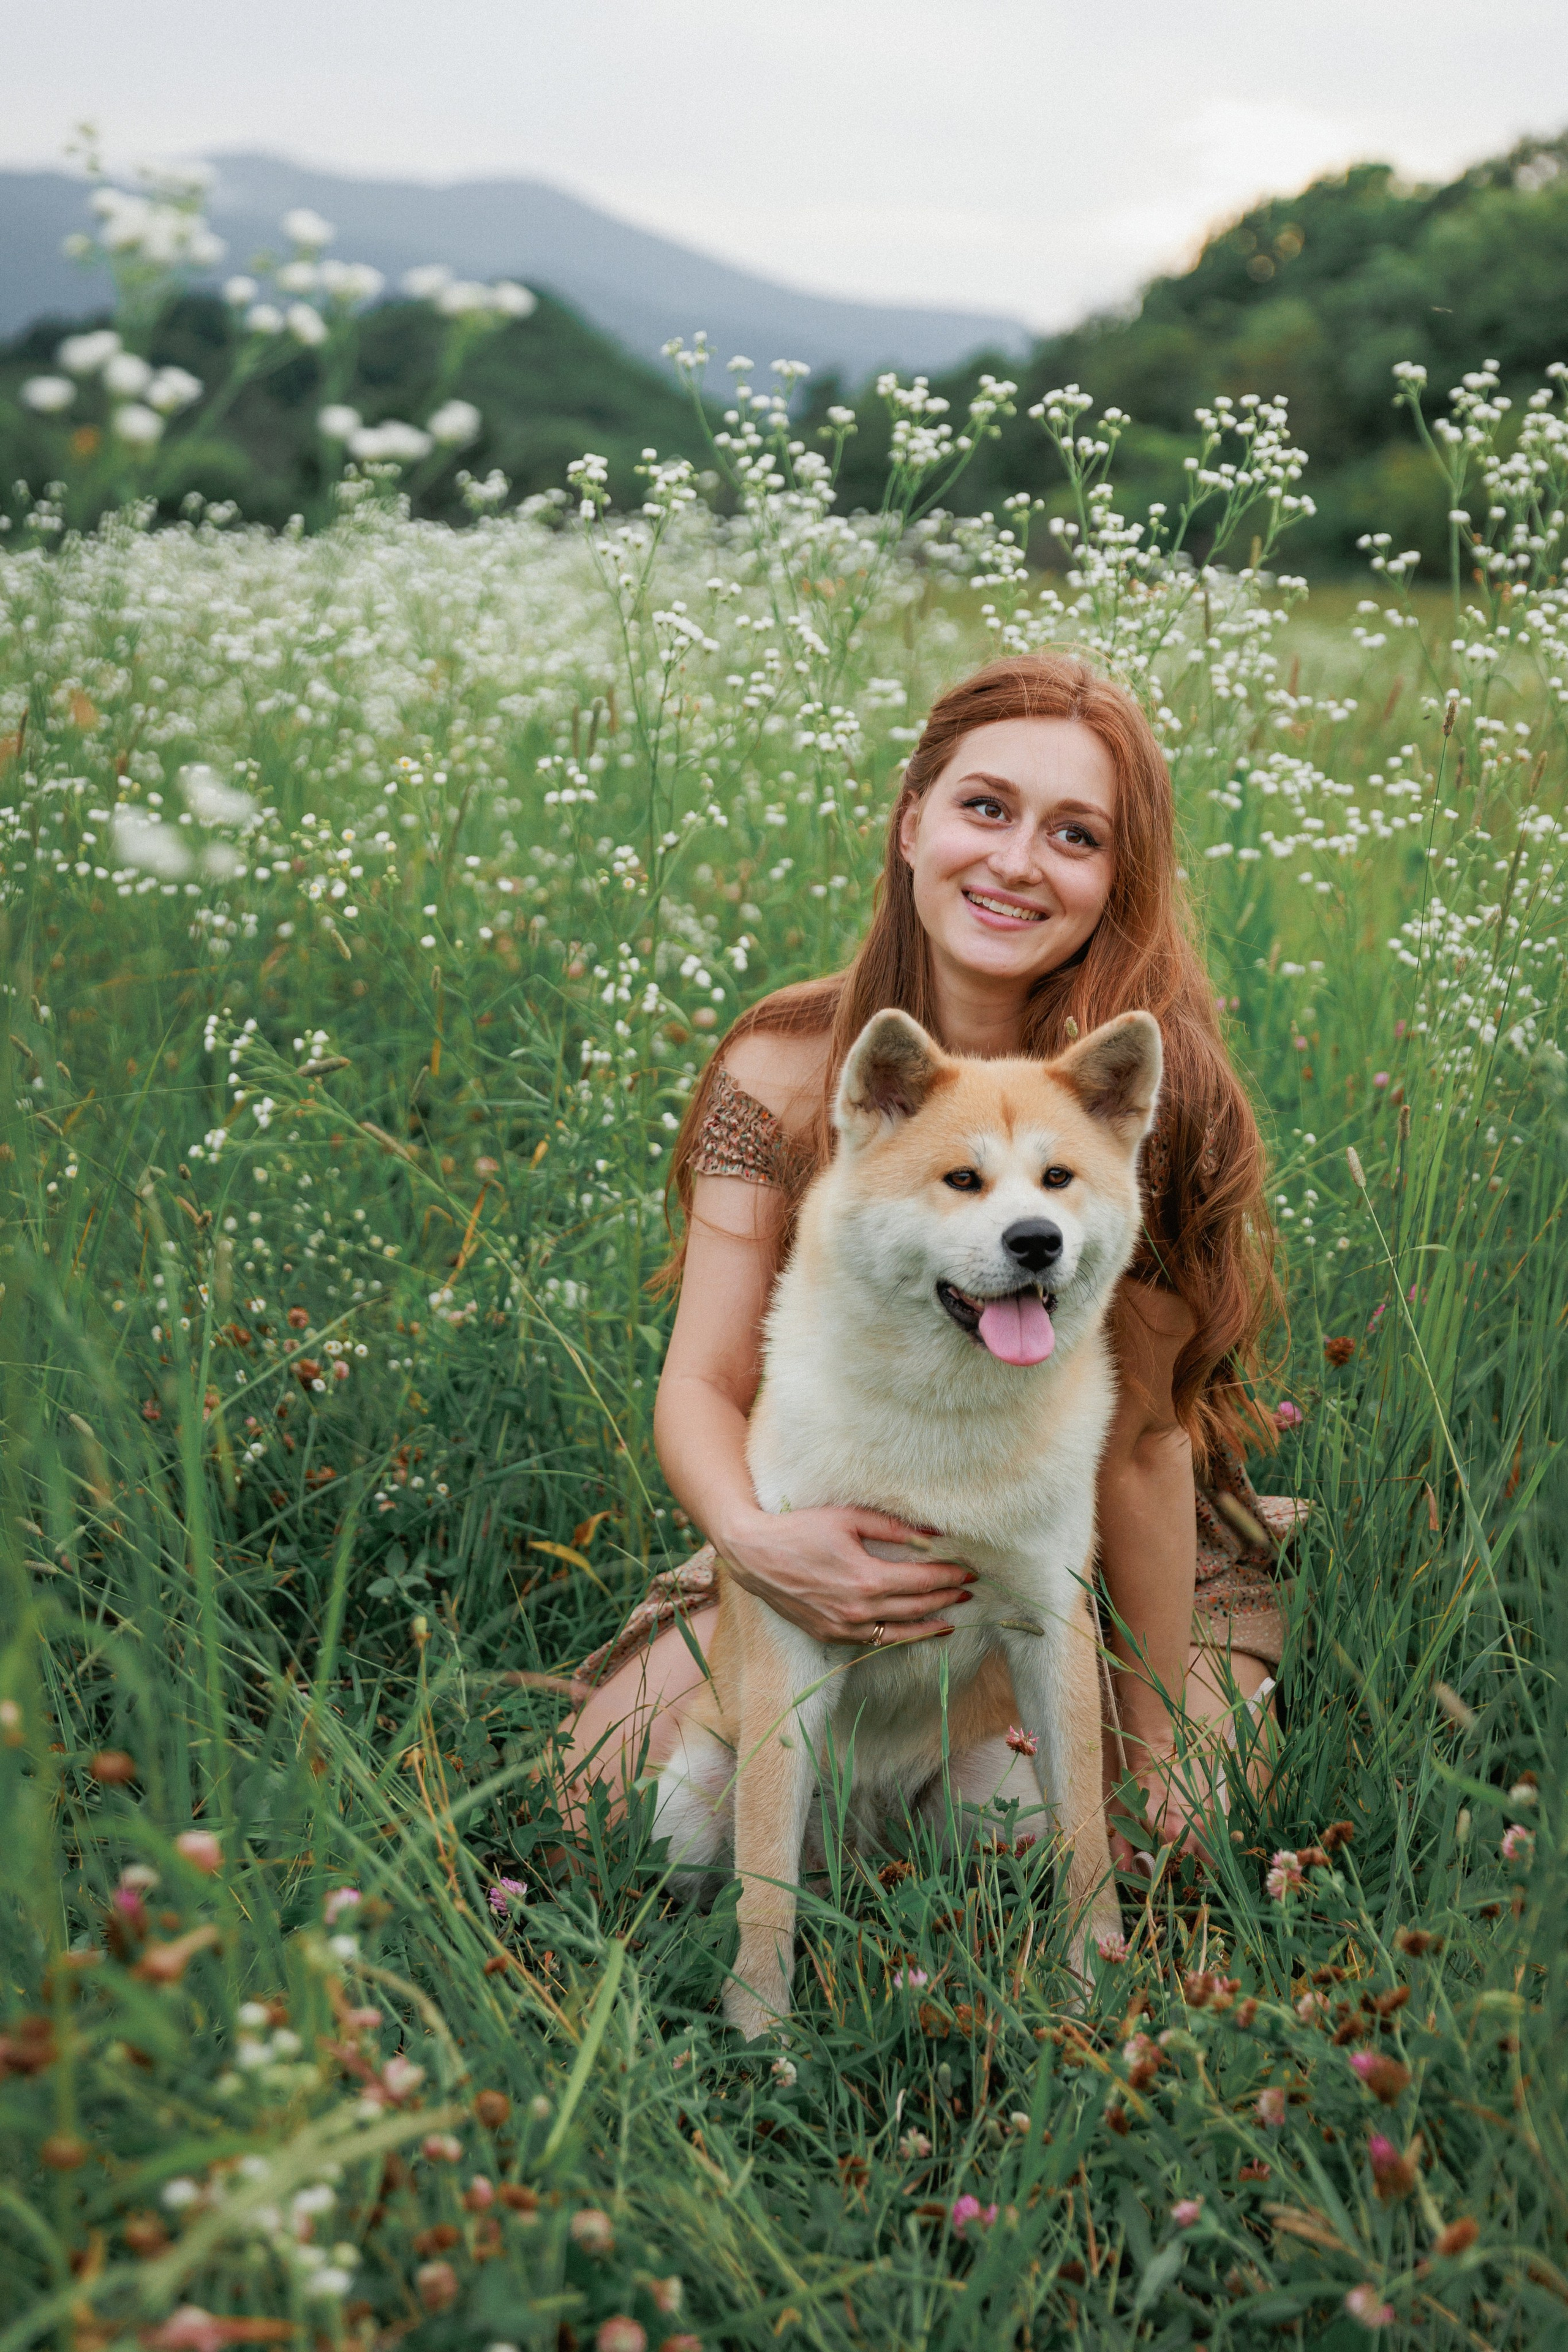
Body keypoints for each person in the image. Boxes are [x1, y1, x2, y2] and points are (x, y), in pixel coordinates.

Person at [560, 652, 1301, 1863]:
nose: (1016, 862)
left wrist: (1151, 1743)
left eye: (1075, 835)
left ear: (1115, 878)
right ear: (912, 823)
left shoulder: (1137, 1090)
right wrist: (754, 1543)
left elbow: (1145, 1442)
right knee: (596, 1802)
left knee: (1144, 1838)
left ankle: (1115, 1728)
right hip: (850, 1510)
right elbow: (702, 1381)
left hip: (1084, 1536)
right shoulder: (784, 1064)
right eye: (985, 808)